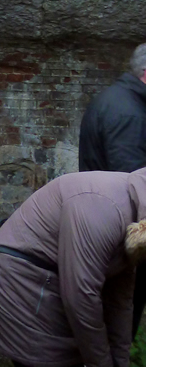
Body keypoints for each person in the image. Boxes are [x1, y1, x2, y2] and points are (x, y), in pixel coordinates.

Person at [0, 168, 146, 366]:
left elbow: (120, 299)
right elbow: (81, 298)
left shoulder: (139, 216)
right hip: (17, 284)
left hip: (48, 282)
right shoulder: (102, 208)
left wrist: (121, 366)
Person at [79, 43, 146, 337]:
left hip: (107, 222)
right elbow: (133, 181)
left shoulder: (119, 100)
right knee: (119, 310)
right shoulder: (129, 112)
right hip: (121, 232)